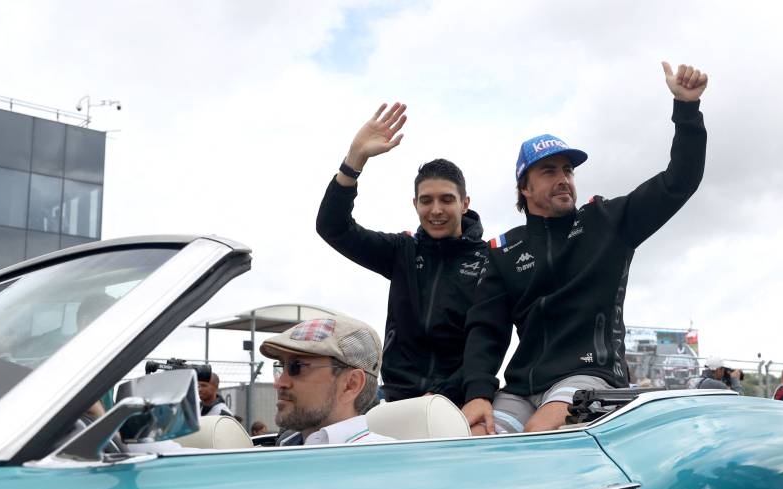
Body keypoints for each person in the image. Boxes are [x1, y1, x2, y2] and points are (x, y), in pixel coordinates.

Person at [462, 61, 708, 434]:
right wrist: (478, 392)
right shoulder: (504, 251)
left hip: (590, 375)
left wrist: (687, 109)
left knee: (539, 433)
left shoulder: (607, 221)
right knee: (476, 438)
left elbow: (679, 182)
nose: (563, 179)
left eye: (568, 171)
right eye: (549, 172)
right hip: (521, 389)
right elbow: (486, 331)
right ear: (524, 189)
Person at [316, 103, 487, 406]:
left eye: (447, 199)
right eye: (426, 201)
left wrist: (444, 396)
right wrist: (354, 160)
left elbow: (488, 341)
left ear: (464, 203)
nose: (436, 210)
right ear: (415, 204)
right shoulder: (401, 251)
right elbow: (333, 228)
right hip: (396, 399)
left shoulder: (490, 262)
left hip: (459, 402)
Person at [259, 315, 393, 446]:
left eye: (296, 367)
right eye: (281, 366)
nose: (279, 383)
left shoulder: (384, 461)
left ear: (351, 384)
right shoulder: (284, 449)